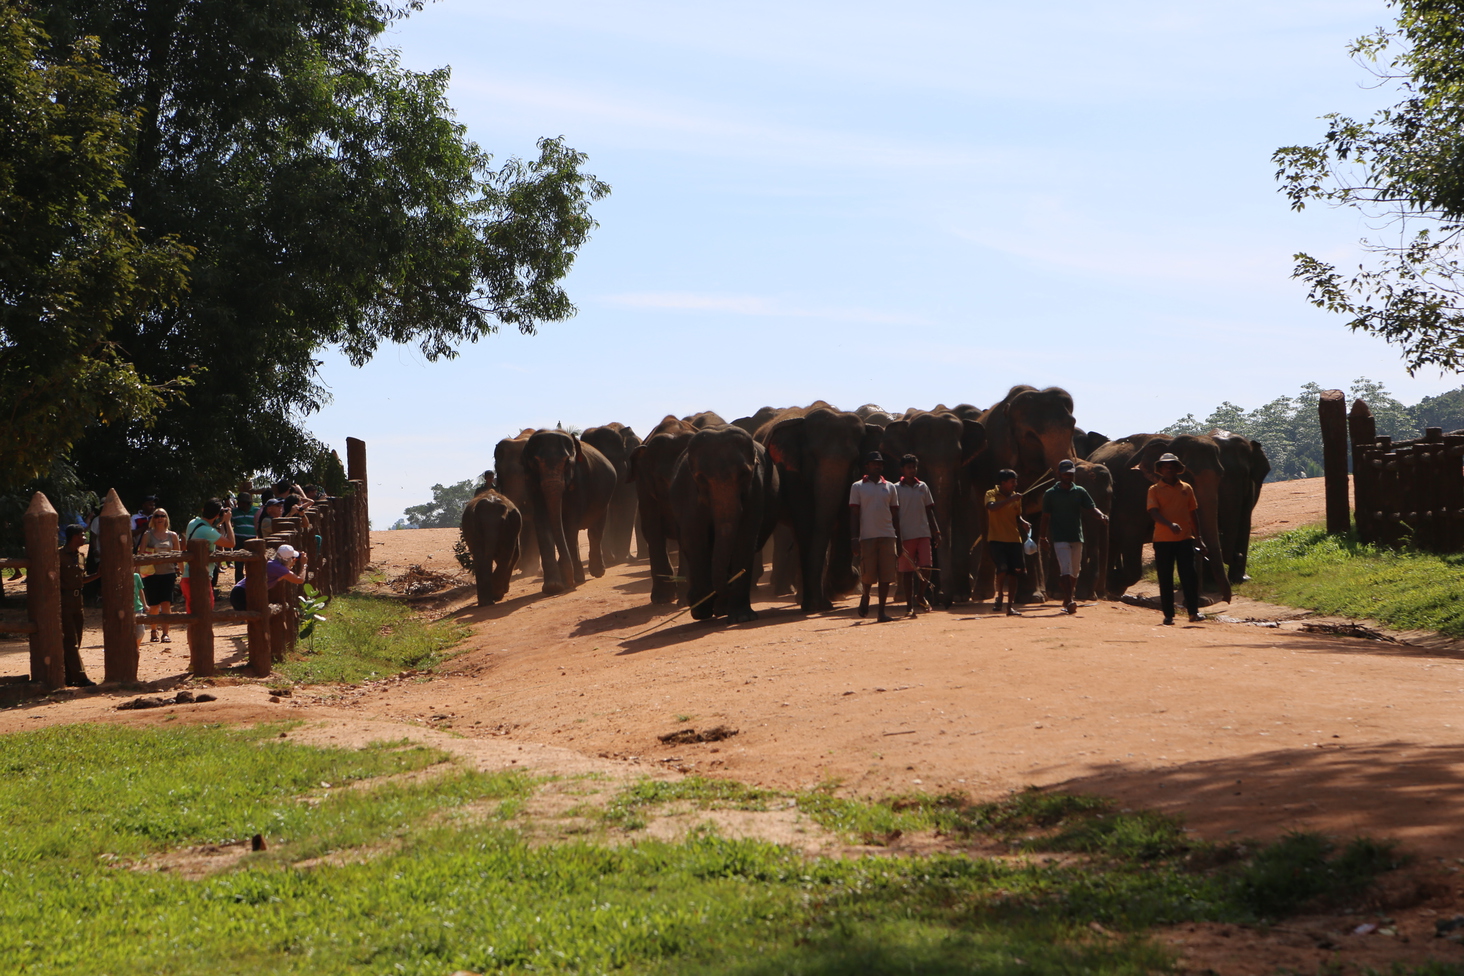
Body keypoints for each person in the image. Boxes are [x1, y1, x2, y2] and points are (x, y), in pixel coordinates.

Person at [1040, 459, 1109, 615]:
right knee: (1065, 569)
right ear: (1059, 474)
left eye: (1070, 474)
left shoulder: (1079, 491)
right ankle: (1070, 599)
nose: (1068, 476)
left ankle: (1067, 595)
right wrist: (1042, 537)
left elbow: (1091, 508)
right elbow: (1045, 517)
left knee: (1075, 571)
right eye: (1065, 474)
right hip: (1059, 537)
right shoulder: (1050, 494)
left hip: (1076, 536)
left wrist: (1101, 516)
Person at [1147, 452, 1206, 625]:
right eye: (1165, 466)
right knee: (1165, 578)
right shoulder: (1154, 490)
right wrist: (1169, 524)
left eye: (1172, 466)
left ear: (1177, 468)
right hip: (1162, 540)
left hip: (1185, 539)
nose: (1169, 468)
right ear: (1161, 469)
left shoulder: (1186, 488)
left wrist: (1199, 538)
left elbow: (1193, 513)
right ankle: (1168, 615)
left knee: (1189, 577)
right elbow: (1153, 512)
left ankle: (1193, 613)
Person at [849, 451, 900, 623]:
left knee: (886, 575)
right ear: (867, 466)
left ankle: (881, 612)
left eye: (879, 464)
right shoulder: (857, 487)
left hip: (887, 535)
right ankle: (866, 596)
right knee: (868, 574)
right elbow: (854, 514)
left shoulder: (891, 487)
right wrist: (854, 538)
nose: (877, 466)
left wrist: (898, 538)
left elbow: (895, 514)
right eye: (873, 463)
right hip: (867, 536)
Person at [894, 454, 939, 617]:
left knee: (927, 567)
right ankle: (908, 605)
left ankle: (920, 594)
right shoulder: (895, 488)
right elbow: (893, 513)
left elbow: (929, 510)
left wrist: (936, 531)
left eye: (914, 467)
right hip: (905, 534)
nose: (912, 470)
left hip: (923, 532)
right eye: (909, 467)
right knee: (906, 572)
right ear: (902, 470)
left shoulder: (923, 487)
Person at [985, 468, 1029, 616]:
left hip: (1014, 540)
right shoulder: (991, 494)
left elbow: (1017, 516)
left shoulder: (1016, 498)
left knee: (1014, 573)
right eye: (1012, 482)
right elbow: (991, 507)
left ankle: (1010, 607)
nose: (1015, 484)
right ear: (1003, 483)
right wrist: (1010, 500)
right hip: (996, 539)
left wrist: (1023, 522)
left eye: (1015, 481)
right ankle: (1000, 596)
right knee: (1002, 568)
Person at [57, 525, 97, 686]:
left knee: (77, 639)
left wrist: (97, 575)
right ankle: (80, 677)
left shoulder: (80, 556)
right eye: (81, 535)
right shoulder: (59, 555)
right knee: (70, 640)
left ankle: (68, 676)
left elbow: (81, 579)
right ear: (74, 537)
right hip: (64, 600)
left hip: (77, 600)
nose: (84, 537)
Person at [180, 498, 235, 613]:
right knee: (204, 614)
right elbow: (231, 543)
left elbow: (209, 529)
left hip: (188, 575)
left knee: (194, 617)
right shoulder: (208, 531)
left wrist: (218, 520)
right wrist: (227, 521)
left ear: (203, 510)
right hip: (199, 578)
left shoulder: (193, 523)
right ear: (217, 514)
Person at [136, 509, 181, 642]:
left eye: (163, 516)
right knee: (154, 605)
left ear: (166, 518)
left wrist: (183, 572)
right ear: (153, 519)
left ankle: (166, 633)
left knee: (166, 603)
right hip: (152, 574)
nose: (160, 518)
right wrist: (137, 572)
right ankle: (154, 631)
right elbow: (141, 553)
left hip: (168, 573)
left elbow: (178, 555)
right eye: (157, 516)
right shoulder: (148, 534)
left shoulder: (172, 535)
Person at [229, 544, 308, 610]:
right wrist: (303, 564)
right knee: (257, 621)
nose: (294, 560)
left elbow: (285, 571)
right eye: (293, 558)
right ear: (287, 559)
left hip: (240, 592)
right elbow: (299, 580)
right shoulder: (277, 567)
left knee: (255, 622)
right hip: (242, 594)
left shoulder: (273, 563)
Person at [230, 492, 258, 583]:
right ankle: (239, 586)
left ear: (247, 503)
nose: (238, 504)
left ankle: (251, 584)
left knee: (251, 565)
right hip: (238, 539)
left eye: (241, 502)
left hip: (252, 540)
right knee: (238, 565)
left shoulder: (256, 511)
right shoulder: (234, 512)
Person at [132, 571, 147, 651]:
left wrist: (145, 604)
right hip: (125, 609)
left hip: (137, 607)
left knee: (141, 632)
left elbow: (141, 590)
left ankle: (136, 647)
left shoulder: (136, 576)